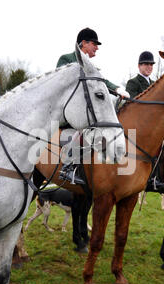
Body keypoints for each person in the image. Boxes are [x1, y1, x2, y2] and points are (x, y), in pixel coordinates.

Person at [57, 27, 130, 185]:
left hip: (83, 109)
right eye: (94, 44)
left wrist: (117, 89)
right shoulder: (66, 59)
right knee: (86, 125)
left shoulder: (92, 67)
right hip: (67, 109)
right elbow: (60, 84)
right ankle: (67, 166)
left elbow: (101, 82)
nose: (97, 47)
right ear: (83, 43)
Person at [125, 51, 164, 192]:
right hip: (137, 125)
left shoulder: (155, 84)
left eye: (151, 65)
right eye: (146, 64)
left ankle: (156, 177)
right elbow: (133, 105)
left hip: (154, 126)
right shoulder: (132, 83)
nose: (149, 67)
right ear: (139, 66)